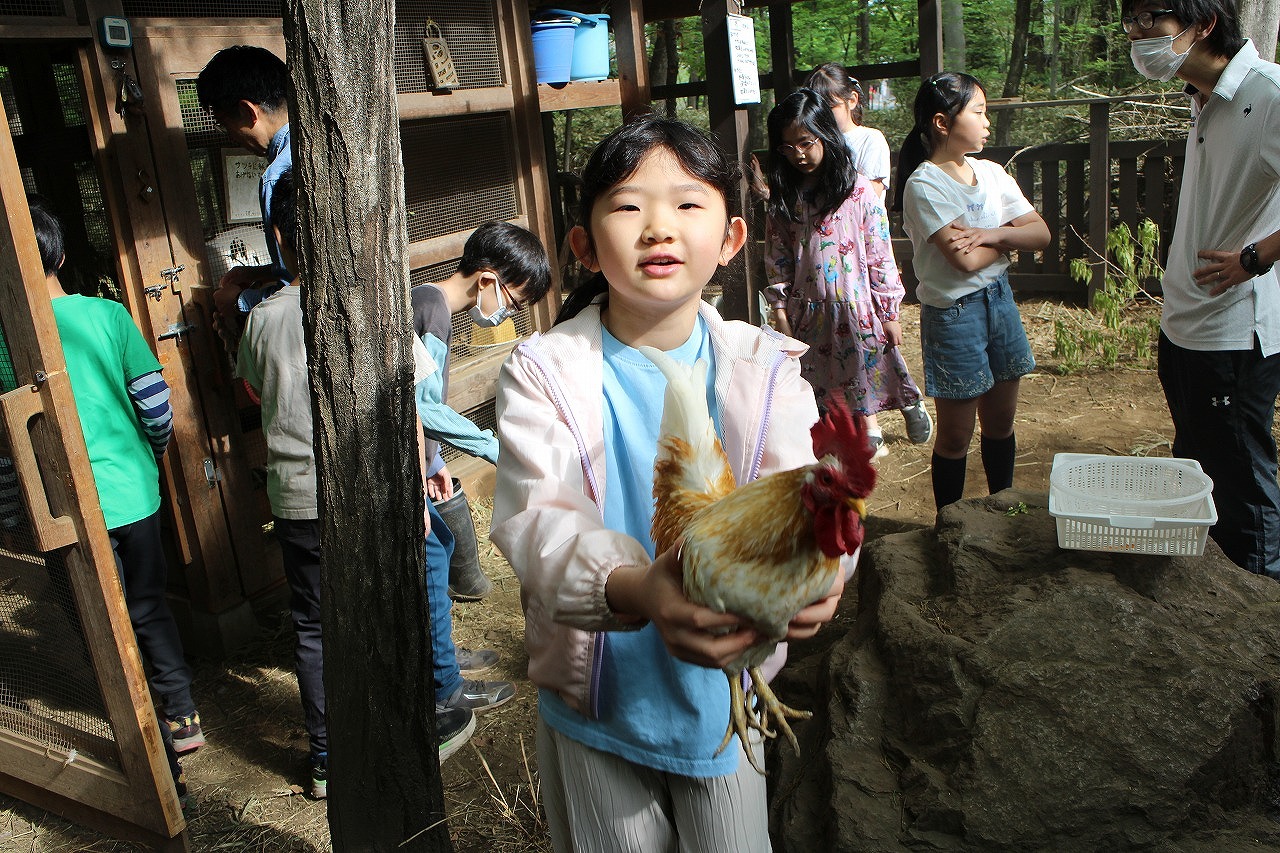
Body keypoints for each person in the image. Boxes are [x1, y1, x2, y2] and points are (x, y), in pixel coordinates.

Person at [490, 117, 848, 852]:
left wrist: (826, 570)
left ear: (731, 238)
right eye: (628, 206)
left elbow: (803, 494)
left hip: (726, 685)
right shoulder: (544, 372)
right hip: (598, 693)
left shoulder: (766, 368)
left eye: (688, 204)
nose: (659, 226)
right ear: (584, 246)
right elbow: (539, 518)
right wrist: (634, 588)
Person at [235, 172, 510, 799]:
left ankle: (327, 758)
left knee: (314, 627)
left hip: (297, 495)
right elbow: (410, 405)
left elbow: (251, 388)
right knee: (391, 602)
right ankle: (409, 722)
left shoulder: (263, 317)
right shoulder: (378, 312)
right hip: (372, 492)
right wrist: (418, 482)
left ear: (279, 236)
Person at [31, 197, 205, 755]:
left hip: (65, 507)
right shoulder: (108, 316)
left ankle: (135, 722)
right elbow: (155, 405)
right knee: (149, 604)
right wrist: (148, 453)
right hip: (132, 490)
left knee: (96, 618)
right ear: (60, 257)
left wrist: (16, 511)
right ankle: (182, 714)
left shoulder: (14, 340)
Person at [1122, 0, 1280, 580]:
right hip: (1185, 323)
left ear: (1204, 23)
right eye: (1131, 22)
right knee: (1198, 468)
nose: (1137, 35)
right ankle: (1210, 595)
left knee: (1241, 482)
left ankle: (1261, 605)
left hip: (1236, 331)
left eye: (1150, 19)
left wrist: (1256, 257)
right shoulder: (1203, 97)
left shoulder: (1267, 92)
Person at [894, 72, 1051, 511]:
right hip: (954, 316)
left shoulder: (992, 173)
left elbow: (1041, 234)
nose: (986, 122)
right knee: (955, 435)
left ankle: (1004, 511)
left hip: (1000, 303)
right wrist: (1009, 241)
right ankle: (950, 525)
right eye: (979, 112)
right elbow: (962, 261)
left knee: (1001, 423)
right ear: (942, 123)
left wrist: (989, 234)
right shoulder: (924, 185)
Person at [763, 89, 931, 460]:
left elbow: (879, 252)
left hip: (858, 309)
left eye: (806, 143)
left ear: (826, 134)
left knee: (871, 370)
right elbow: (778, 256)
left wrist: (889, 311)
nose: (798, 154)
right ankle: (847, 442)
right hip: (807, 312)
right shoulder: (785, 197)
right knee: (821, 382)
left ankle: (906, 405)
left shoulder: (857, 190)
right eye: (787, 147)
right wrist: (780, 310)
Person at [411, 221, 552, 600]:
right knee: (434, 559)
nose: (508, 314)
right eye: (513, 303)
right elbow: (424, 406)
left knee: (439, 549)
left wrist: (432, 460)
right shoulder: (432, 310)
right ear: (487, 280)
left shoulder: (428, 301)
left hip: (420, 461)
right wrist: (495, 449)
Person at [195, 45, 292, 324]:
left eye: (224, 124)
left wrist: (238, 302)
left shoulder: (277, 175)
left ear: (248, 111)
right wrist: (259, 272)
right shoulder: (316, 145)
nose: (230, 136)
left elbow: (298, 290)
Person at [804, 63, 893, 199]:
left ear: (851, 100)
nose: (824, 116)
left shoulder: (871, 139)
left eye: (830, 108)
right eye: (818, 111)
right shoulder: (814, 143)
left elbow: (869, 196)